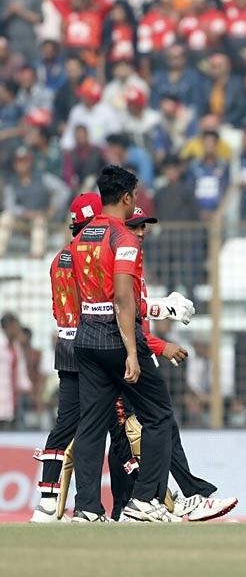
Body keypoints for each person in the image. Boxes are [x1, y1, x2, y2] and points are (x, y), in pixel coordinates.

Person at [114, 206, 238, 522]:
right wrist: (162, 338)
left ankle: (164, 499)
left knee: (145, 429)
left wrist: (159, 312)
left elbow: (134, 315)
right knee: (142, 429)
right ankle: (144, 502)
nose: (142, 232)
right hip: (125, 359)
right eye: (135, 226)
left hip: (130, 356)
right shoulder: (123, 262)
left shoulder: (133, 265)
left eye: (144, 227)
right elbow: (123, 318)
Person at [69, 165, 175, 523]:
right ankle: (144, 501)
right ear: (128, 197)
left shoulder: (81, 237)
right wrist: (132, 350)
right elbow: (124, 298)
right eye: (136, 197)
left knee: (91, 423)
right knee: (159, 415)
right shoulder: (124, 238)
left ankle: (86, 507)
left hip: (85, 336)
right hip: (114, 337)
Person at [29, 193, 103, 523]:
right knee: (106, 422)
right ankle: (114, 501)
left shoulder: (58, 258)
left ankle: (46, 499)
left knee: (65, 423)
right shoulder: (92, 256)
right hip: (94, 344)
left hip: (66, 343)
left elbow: (58, 309)